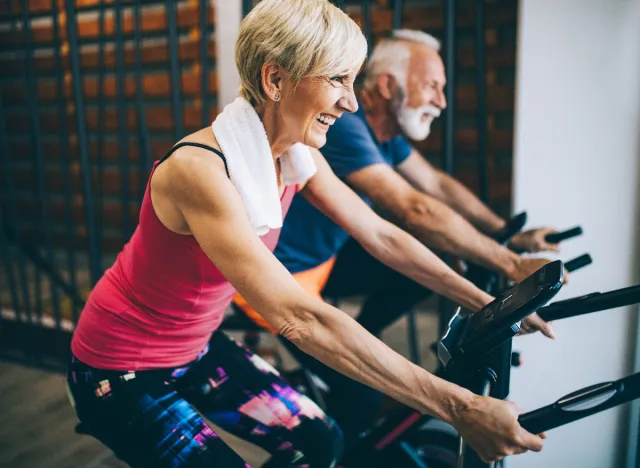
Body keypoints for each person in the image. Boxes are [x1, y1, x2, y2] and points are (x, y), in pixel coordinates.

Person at [67, 2, 546, 467]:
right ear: (275, 80)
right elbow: (299, 317)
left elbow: (380, 235)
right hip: (118, 368)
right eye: (337, 79)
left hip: (195, 346)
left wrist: (489, 304)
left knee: (321, 442)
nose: (352, 101)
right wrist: (461, 408)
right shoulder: (200, 171)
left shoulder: (296, 157)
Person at [233, 29, 562, 449]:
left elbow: (431, 190)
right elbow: (414, 208)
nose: (441, 101)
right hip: (280, 276)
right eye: (432, 86)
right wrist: (510, 265)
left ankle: (360, 343)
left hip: (322, 261)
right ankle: (351, 432)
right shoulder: (343, 130)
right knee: (362, 395)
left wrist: (504, 238)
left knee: (423, 260)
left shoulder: (378, 137)